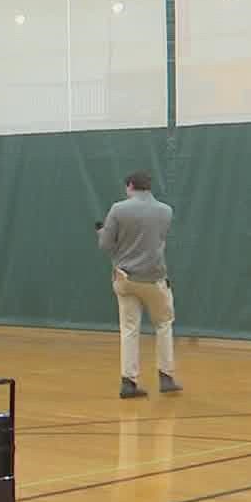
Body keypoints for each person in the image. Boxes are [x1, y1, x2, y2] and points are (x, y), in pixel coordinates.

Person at [99, 170, 179, 399]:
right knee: (164, 324)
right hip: (154, 278)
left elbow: (106, 245)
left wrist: (103, 233)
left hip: (125, 278)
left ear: (131, 186)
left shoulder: (118, 209)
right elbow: (156, 241)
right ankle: (166, 377)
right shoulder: (166, 211)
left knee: (129, 328)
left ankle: (129, 382)